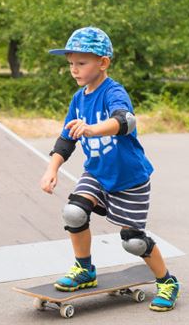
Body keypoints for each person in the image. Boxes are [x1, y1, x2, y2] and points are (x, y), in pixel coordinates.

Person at [40, 26, 180, 312]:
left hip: (130, 179)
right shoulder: (78, 99)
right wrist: (51, 168)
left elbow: (125, 120)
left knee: (133, 242)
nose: (74, 69)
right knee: (74, 211)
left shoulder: (113, 91)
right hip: (97, 174)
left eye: (81, 63)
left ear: (102, 63)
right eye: (71, 63)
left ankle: (167, 281)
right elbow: (66, 138)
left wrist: (93, 129)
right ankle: (84, 269)